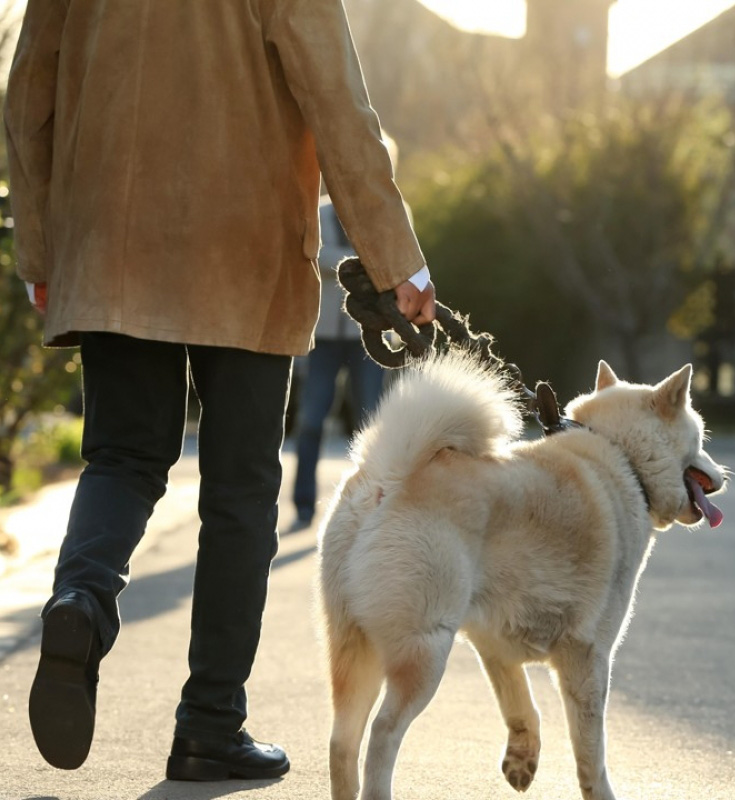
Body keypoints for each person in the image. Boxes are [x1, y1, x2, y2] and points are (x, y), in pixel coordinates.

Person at [4, 0, 434, 780]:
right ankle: (209, 726)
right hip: (245, 246)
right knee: (238, 493)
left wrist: (40, 248)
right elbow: (334, 91)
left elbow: (29, 90)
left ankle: (82, 599)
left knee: (122, 460)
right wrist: (394, 254)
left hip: (110, 241)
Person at [291, 198, 385, 529]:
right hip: (323, 338)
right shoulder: (317, 212)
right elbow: (315, 255)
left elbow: (396, 261)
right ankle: (304, 505)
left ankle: (375, 507)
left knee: (372, 426)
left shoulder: (388, 209)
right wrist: (366, 262)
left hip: (371, 336)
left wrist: (354, 264)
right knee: (311, 421)